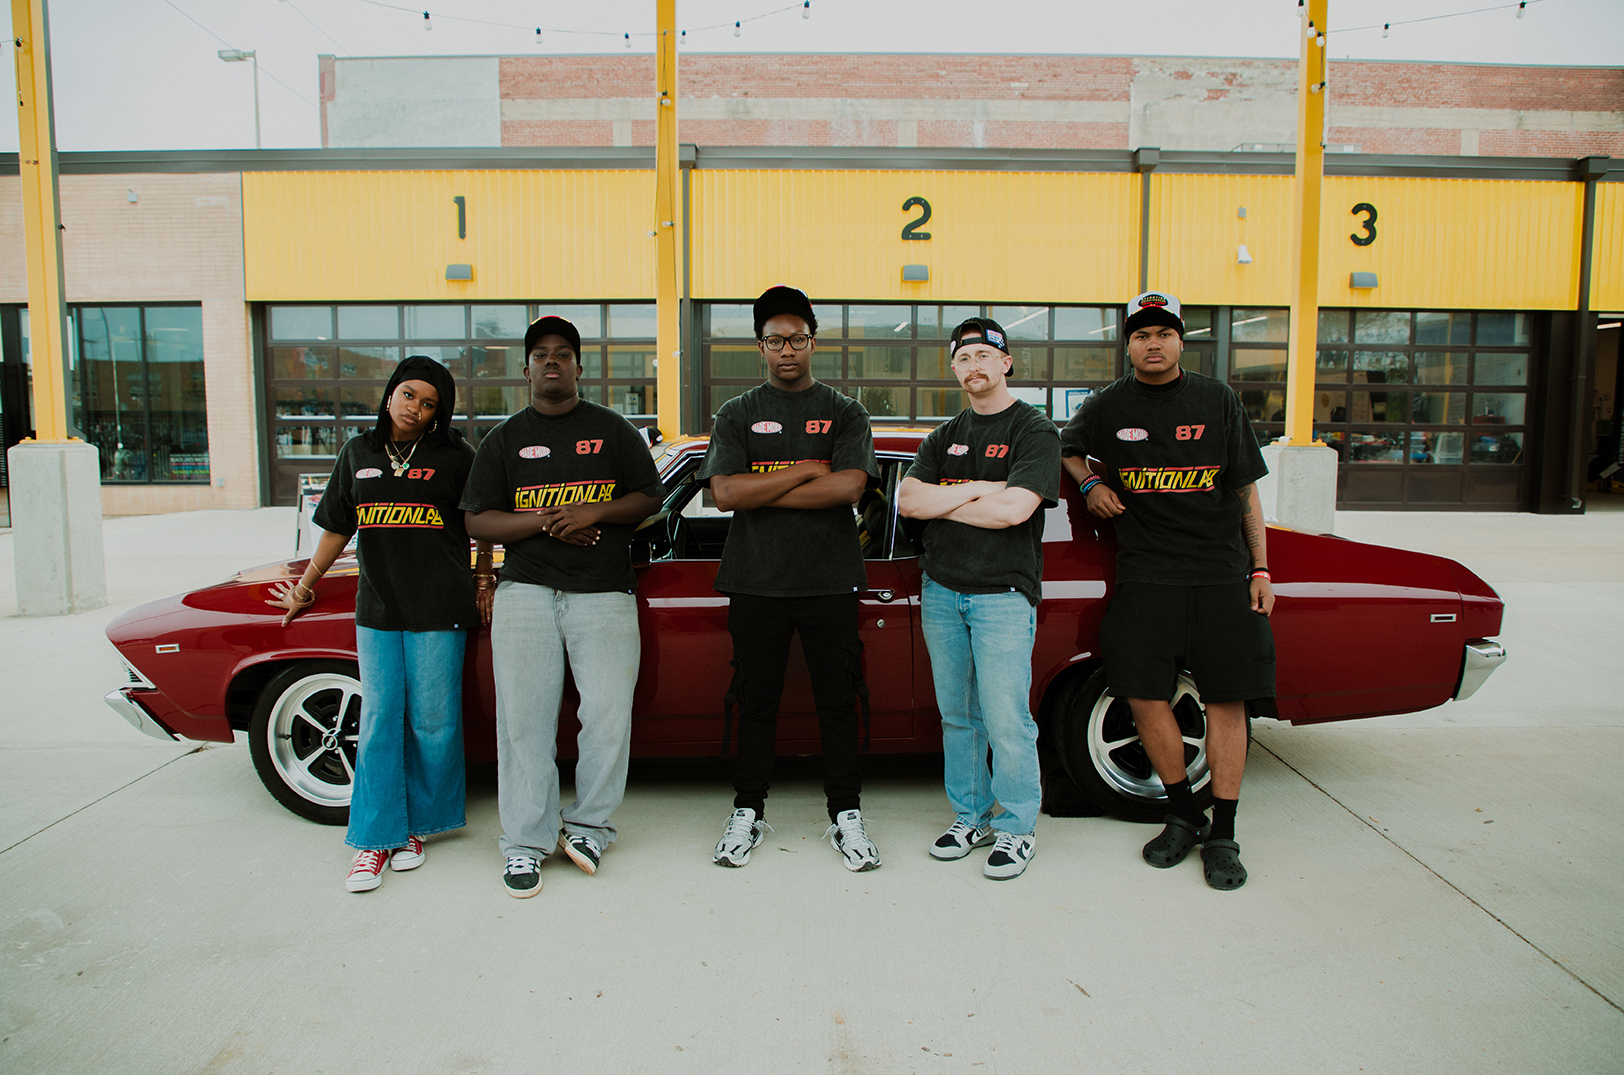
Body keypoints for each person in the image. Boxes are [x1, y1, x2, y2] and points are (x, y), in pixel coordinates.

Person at [1060, 291, 1275, 891]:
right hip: (1146, 577)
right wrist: (1089, 484)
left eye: (1163, 333)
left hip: (1221, 576)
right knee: (1145, 696)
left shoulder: (1218, 400)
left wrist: (1260, 570)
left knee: (1228, 703)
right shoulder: (1107, 405)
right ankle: (1183, 811)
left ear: (1181, 340)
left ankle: (1223, 833)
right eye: (1140, 335)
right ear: (1128, 344)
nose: (1152, 343)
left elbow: (1245, 493)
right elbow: (1067, 448)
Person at [267, 355, 493, 893]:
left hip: (441, 608)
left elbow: (481, 520)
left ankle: (416, 828)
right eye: (409, 395)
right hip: (378, 610)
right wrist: (305, 586)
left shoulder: (457, 456)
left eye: (430, 403)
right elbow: (336, 529)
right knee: (379, 721)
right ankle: (373, 839)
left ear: (441, 412)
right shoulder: (358, 453)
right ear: (390, 394)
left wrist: (483, 579)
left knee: (433, 722)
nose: (416, 408)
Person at [461, 315, 664, 898]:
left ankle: (589, 826)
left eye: (563, 354)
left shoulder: (613, 430)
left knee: (605, 717)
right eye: (541, 354)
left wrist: (593, 513)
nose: (552, 362)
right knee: (523, 723)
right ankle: (525, 842)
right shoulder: (502, 439)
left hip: (604, 593)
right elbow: (477, 519)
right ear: (526, 369)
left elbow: (649, 497)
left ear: (579, 366)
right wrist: (550, 524)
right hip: (524, 592)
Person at [699, 285, 883, 872]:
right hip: (756, 582)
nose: (787, 350)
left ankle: (846, 815)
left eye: (797, 340)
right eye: (775, 340)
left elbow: (850, 487)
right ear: (760, 346)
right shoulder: (738, 413)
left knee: (837, 702)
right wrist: (806, 470)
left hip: (830, 580)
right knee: (756, 703)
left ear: (812, 342)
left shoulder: (846, 411)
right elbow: (724, 493)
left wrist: (765, 488)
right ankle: (748, 812)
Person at [897, 317, 1059, 880]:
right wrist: (981, 488)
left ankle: (1016, 828)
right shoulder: (943, 435)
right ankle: (970, 816)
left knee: (1007, 717)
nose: (974, 366)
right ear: (955, 368)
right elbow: (910, 501)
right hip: (942, 590)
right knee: (958, 717)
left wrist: (948, 496)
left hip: (1002, 595)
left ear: (1006, 362)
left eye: (984, 356)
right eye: (963, 358)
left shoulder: (1034, 431)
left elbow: (1015, 511)